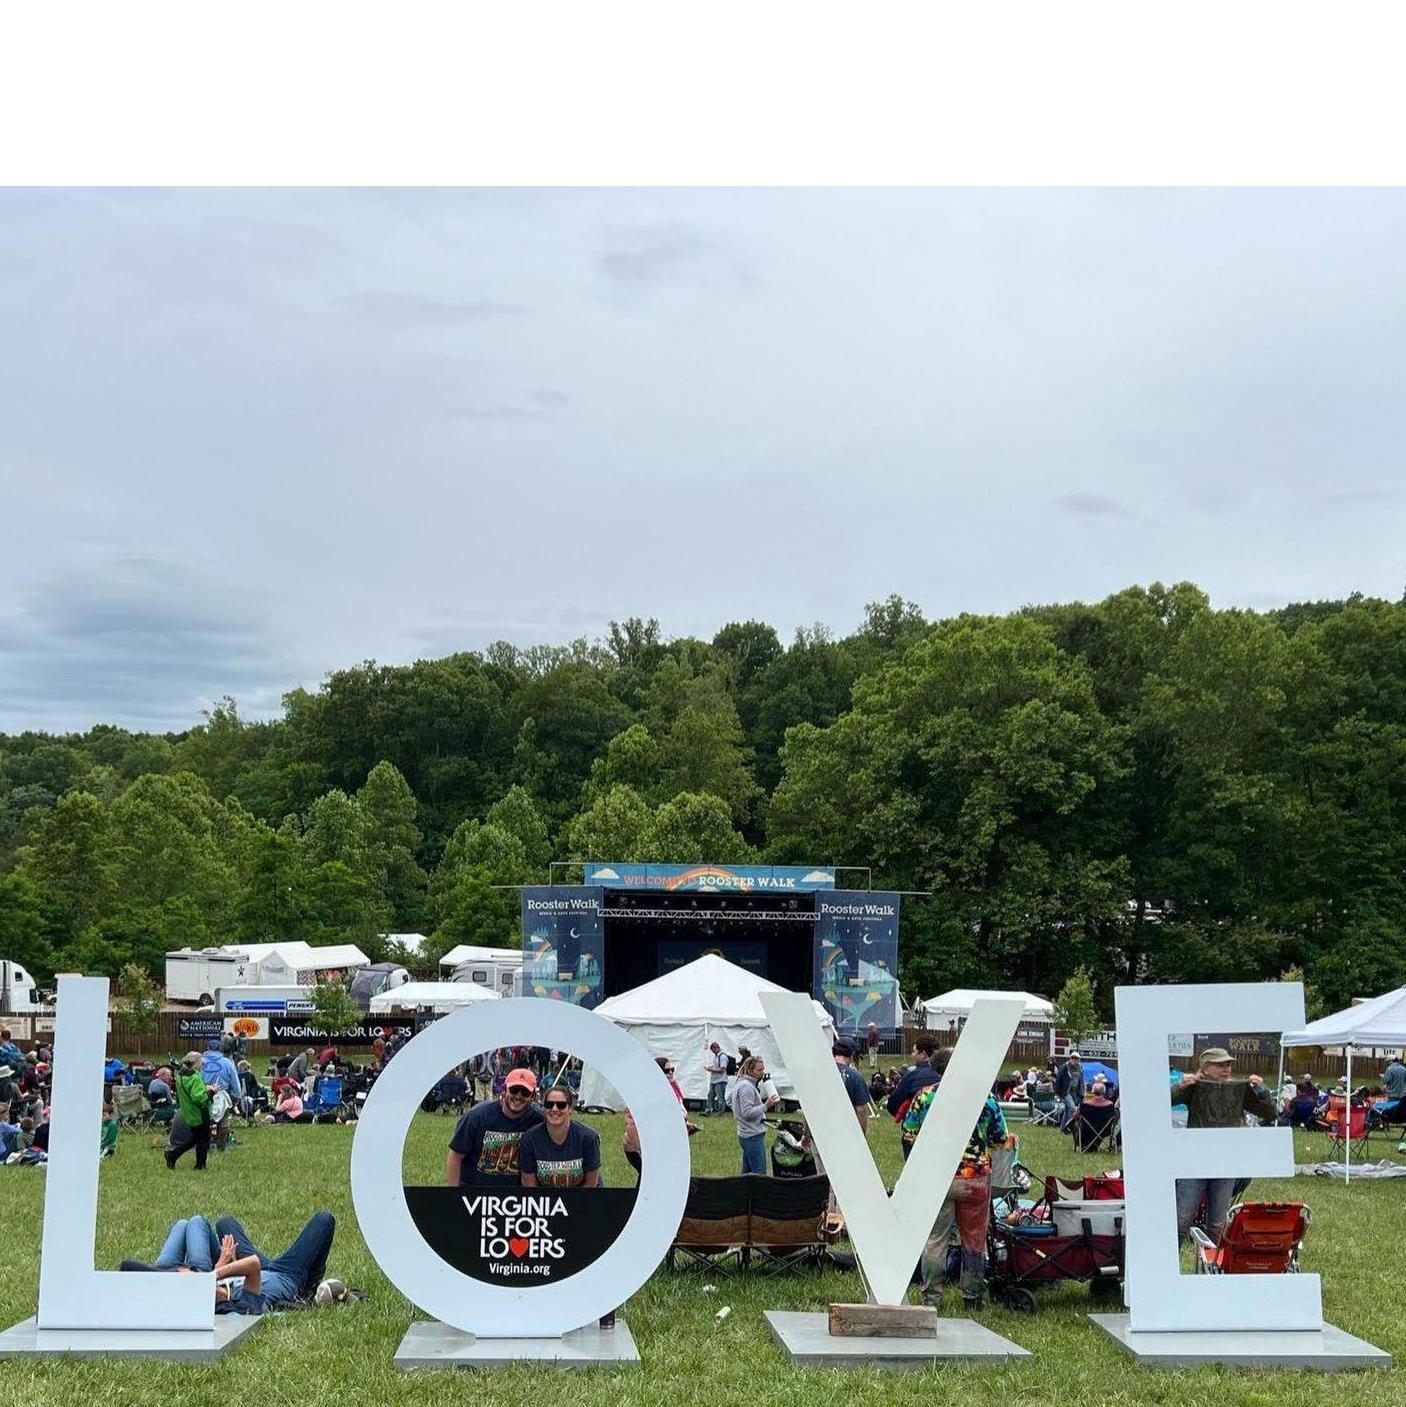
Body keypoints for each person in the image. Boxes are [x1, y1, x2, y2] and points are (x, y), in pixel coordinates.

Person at [904, 1048, 1007, 1310]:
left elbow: (909, 1133)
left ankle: (931, 1298)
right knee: (973, 1239)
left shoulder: (925, 1096)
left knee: (936, 1239)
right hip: (975, 1179)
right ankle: (972, 1296)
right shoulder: (986, 1099)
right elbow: (999, 1138)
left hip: (939, 1179)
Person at [121, 1212, 337, 1313]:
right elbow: (253, 1265)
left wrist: (222, 1269)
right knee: (324, 1220)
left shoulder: (216, 1290)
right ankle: (310, 1284)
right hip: (286, 1275)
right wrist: (217, 1272)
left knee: (224, 1223)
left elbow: (127, 1265)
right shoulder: (242, 1304)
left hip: (246, 1268)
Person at [1170, 1046, 1277, 1244]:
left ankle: (1213, 1270)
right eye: (1220, 1064)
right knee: (1181, 1220)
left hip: (1225, 1162)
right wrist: (1180, 1085)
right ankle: (1169, 1268)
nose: (1226, 1068)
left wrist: (1262, 1091)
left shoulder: (1238, 1089)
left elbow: (1271, 1113)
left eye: (1228, 1064)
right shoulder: (1193, 1087)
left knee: (1218, 1224)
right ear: (1205, 1067)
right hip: (1194, 1162)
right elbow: (1162, 1102)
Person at [447, 1067, 544, 1187]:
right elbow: (455, 1155)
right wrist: (452, 1196)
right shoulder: (477, 1116)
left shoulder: (539, 1120)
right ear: (504, 1090)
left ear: (533, 1096)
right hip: (474, 1193)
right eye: (513, 1090)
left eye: (525, 1092)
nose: (518, 1096)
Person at [886, 1037, 941, 1157]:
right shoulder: (947, 1074)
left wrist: (906, 1113)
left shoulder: (913, 1075)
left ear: (923, 1054)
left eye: (914, 1051)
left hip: (915, 1131)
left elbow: (893, 1104)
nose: (912, 1055)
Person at [730, 1055, 778, 1174]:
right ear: (750, 1071)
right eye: (759, 1070)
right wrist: (766, 1106)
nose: (762, 1073)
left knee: (746, 1173)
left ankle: (742, 1192)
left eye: (763, 1069)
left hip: (746, 1134)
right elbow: (747, 1113)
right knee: (759, 1173)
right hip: (752, 1136)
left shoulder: (742, 1084)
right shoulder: (747, 1087)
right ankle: (758, 1193)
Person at [168, 1051, 213, 1170]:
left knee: (195, 1138)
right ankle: (200, 1164)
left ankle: (173, 1155)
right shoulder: (194, 1078)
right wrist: (210, 1092)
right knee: (203, 1139)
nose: (203, 1064)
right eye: (201, 1062)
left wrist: (204, 1089)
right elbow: (198, 1098)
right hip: (199, 1112)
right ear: (196, 1063)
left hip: (188, 1111)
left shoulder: (180, 1075)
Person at [832, 1040, 870, 1132]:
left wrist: (805, 1133)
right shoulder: (856, 1077)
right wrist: (862, 1137)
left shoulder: (821, 1073)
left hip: (821, 1132)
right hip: (846, 1131)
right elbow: (860, 1111)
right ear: (852, 1055)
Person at [1056, 1052, 1085, 1129]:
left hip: (1076, 1092)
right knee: (1072, 1108)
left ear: (1078, 1060)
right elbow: (1058, 1080)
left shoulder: (1080, 1068)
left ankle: (1063, 1127)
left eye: (1076, 1058)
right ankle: (1069, 1126)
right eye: (1072, 1058)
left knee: (1067, 1110)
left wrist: (1082, 1093)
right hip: (1067, 1092)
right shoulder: (1065, 1067)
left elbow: (1081, 1081)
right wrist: (1059, 1093)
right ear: (1070, 1058)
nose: (1074, 1060)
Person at [704, 1041, 729, 1116]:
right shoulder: (716, 1057)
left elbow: (722, 1069)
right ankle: (708, 1110)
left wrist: (711, 1070)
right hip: (714, 1080)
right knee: (710, 1095)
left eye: (713, 1050)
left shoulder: (722, 1057)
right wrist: (712, 1067)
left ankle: (721, 1112)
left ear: (716, 1048)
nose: (712, 1052)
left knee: (720, 1097)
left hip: (720, 1081)